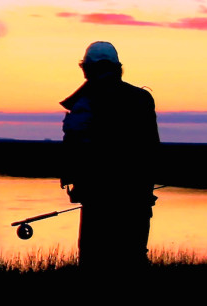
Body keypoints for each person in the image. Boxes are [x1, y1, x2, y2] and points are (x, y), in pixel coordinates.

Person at [59, 41, 160, 270]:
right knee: (132, 259)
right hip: (136, 198)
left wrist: (76, 185)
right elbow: (152, 150)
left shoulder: (86, 102)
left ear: (87, 68)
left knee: (94, 261)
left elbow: (75, 148)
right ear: (118, 67)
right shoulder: (142, 99)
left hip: (98, 199)